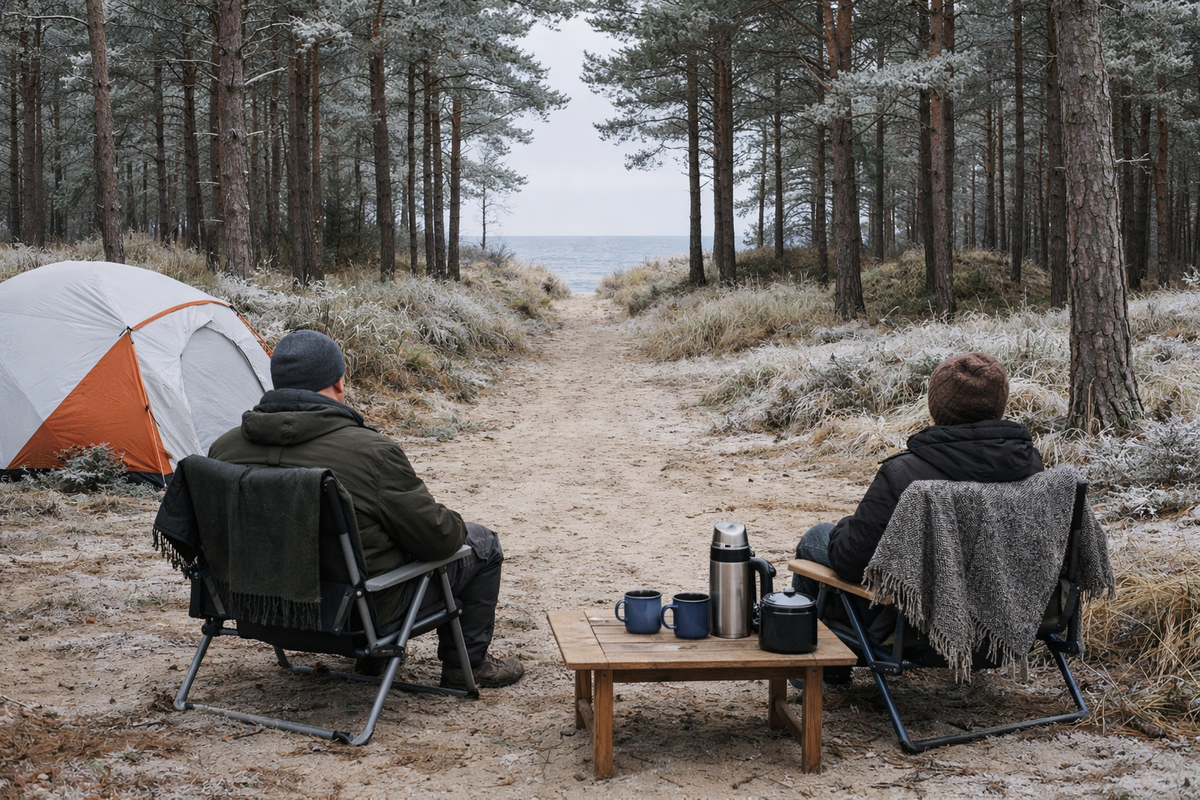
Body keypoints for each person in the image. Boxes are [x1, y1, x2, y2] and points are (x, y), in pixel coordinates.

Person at [207, 330, 524, 690]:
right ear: (339, 383)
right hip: (355, 618)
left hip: (254, 610)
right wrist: (450, 521)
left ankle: (375, 660)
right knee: (482, 543)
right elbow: (439, 539)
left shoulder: (222, 450)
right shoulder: (370, 453)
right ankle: (466, 666)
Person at [791, 352, 1044, 681]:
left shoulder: (906, 474)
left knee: (816, 538)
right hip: (1001, 621)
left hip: (914, 624)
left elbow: (850, 561)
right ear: (1000, 405)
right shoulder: (1033, 468)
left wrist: (843, 528)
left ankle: (817, 669)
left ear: (936, 406)